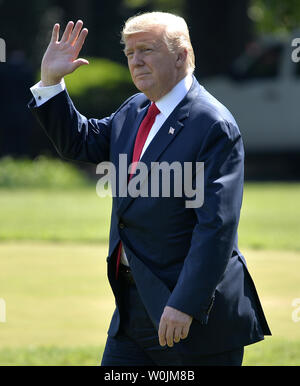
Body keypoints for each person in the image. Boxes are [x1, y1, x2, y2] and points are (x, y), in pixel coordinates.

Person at [28, 12, 271, 366]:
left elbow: (216, 228)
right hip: (131, 308)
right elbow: (79, 142)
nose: (136, 61)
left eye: (146, 49)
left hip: (191, 317)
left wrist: (185, 304)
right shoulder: (135, 108)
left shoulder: (213, 124)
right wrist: (50, 82)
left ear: (181, 55)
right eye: (129, 53)